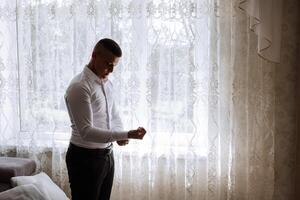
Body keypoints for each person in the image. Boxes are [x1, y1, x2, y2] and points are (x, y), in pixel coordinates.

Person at [64, 38, 146, 200]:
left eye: (114, 65)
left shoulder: (107, 83)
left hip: (107, 156)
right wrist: (126, 134)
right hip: (84, 158)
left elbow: (113, 113)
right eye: (108, 63)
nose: (111, 70)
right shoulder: (79, 87)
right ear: (94, 55)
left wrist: (120, 136)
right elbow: (86, 132)